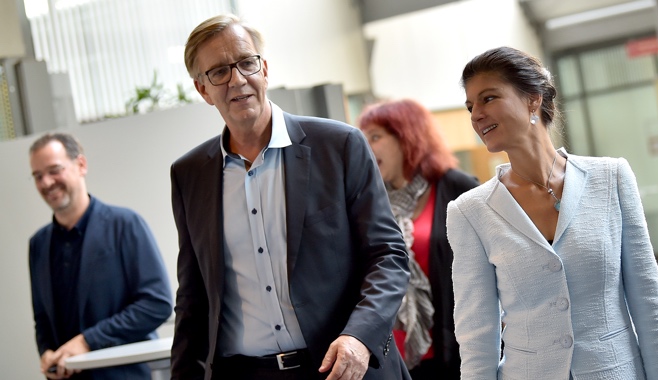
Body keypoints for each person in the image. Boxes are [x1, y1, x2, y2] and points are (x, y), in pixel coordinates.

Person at [170, 14, 411, 380]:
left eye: (246, 63)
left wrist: (359, 336)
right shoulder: (190, 175)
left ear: (264, 68)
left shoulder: (339, 145)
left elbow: (387, 256)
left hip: (342, 367)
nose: (237, 79)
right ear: (202, 90)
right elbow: (192, 297)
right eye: (219, 71)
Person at [446, 46, 658, 379]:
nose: (476, 115)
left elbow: (649, 302)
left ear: (533, 99)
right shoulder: (469, 212)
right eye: (470, 106)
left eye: (488, 98)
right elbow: (477, 333)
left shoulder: (611, 178)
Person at [28, 133, 174, 380]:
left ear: (81, 165)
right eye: (38, 176)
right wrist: (47, 353)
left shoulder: (125, 224)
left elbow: (156, 304)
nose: (46, 182)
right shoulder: (38, 244)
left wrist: (87, 342)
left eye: (54, 170)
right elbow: (42, 319)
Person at [357, 99, 479, 379]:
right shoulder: (370, 199)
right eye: (363, 139)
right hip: (392, 354)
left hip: (452, 348)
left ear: (408, 138)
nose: (367, 147)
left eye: (375, 137)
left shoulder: (457, 187)